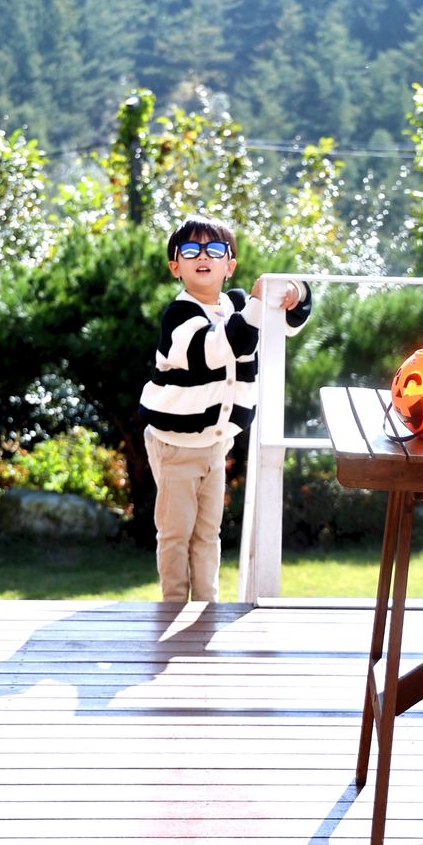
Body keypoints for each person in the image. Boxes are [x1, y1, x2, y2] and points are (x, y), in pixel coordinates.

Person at [138, 213, 312, 602]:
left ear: (229, 265)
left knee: (207, 533)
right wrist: (256, 304)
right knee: (175, 532)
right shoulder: (179, 315)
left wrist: (292, 293)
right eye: (190, 250)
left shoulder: (237, 305)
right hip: (175, 444)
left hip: (216, 445)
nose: (203, 256)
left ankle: (206, 604)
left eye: (214, 249)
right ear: (175, 267)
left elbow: (286, 324)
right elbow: (217, 349)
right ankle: (173, 604)